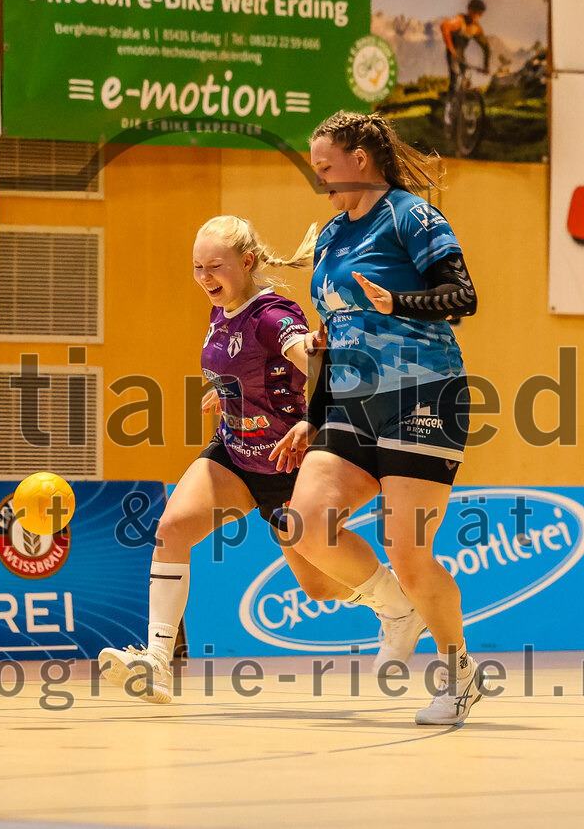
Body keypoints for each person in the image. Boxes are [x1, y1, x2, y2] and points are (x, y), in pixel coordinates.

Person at [99, 215, 420, 703]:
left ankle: (397, 606)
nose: (204, 277)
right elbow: (250, 368)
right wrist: (232, 391)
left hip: (288, 463)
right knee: (172, 529)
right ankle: (157, 663)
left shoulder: (273, 316)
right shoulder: (222, 311)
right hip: (235, 452)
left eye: (215, 266)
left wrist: (312, 419)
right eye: (197, 267)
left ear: (246, 262)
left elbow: (324, 370)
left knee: (319, 586)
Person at [272, 110, 483, 725]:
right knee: (304, 524)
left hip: (424, 395)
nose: (319, 178)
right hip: (350, 403)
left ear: (360, 160)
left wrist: (399, 302)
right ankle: (395, 607)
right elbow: (335, 335)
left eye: (325, 166)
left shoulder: (411, 216)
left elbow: (463, 297)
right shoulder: (332, 236)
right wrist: (313, 416)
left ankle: (460, 674)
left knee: (408, 551)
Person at [441, 0, 491, 96]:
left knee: (464, 80)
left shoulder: (476, 28)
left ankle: (460, 101)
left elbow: (486, 47)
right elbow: (444, 26)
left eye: (479, 14)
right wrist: (450, 48)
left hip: (461, 56)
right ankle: (450, 102)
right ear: (469, 10)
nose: (476, 15)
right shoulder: (459, 20)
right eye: (475, 12)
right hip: (452, 54)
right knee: (455, 77)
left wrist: (486, 66)